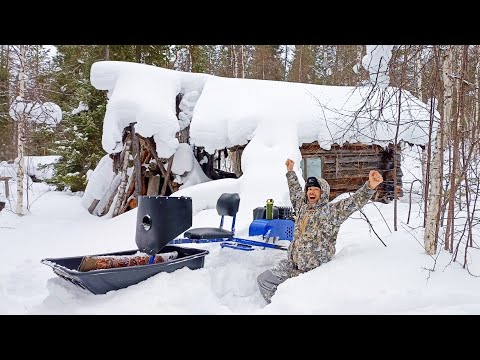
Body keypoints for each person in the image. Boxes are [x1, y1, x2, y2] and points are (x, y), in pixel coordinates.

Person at [257, 158, 384, 304]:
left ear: (323, 193)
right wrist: (290, 171)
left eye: (315, 189)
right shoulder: (302, 207)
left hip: (312, 273)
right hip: (293, 266)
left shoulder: (331, 212)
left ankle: (290, 307)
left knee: (299, 300)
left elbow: (353, 202)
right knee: (264, 280)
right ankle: (278, 308)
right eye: (309, 189)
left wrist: (370, 186)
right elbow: (294, 190)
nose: (311, 191)